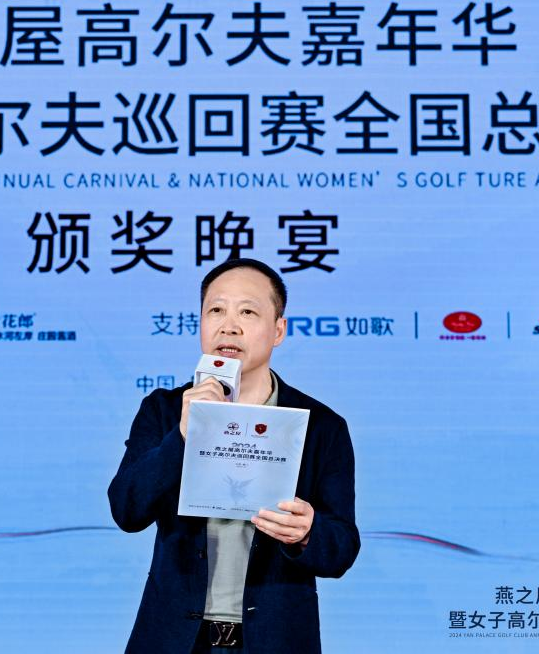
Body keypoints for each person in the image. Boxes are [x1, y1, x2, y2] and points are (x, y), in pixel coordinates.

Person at [108, 258, 360, 653]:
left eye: (247, 312)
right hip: (175, 640)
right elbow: (127, 509)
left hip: (275, 641)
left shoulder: (321, 426)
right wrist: (183, 435)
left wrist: (308, 533)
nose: (229, 326)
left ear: (278, 330)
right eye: (216, 310)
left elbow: (342, 548)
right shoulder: (164, 410)